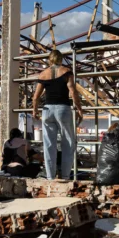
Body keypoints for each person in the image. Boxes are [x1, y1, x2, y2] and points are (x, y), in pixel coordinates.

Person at [32, 49, 83, 180]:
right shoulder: (66, 72)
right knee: (68, 143)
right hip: (63, 109)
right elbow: (73, 91)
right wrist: (79, 109)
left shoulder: (43, 74)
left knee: (49, 145)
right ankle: (65, 176)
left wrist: (34, 110)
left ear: (50, 59)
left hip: (47, 110)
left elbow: (35, 97)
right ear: (60, 59)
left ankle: (50, 177)